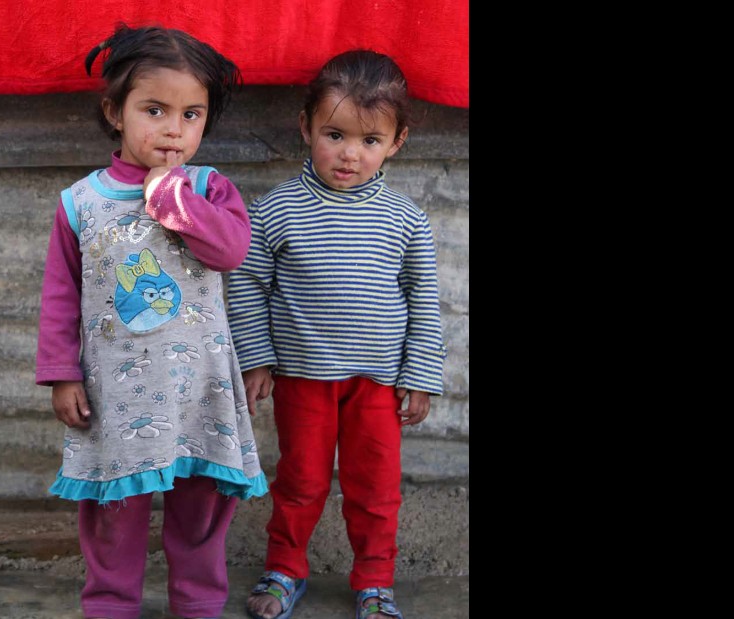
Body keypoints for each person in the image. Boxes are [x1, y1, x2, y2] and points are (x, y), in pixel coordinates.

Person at [35, 23, 267, 619]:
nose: (173, 129)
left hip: (199, 390)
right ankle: (111, 603)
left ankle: (198, 602)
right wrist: (62, 373)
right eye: (155, 109)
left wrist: (180, 204)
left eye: (192, 115)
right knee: (114, 514)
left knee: (200, 509)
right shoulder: (81, 202)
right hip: (116, 393)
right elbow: (61, 293)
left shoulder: (209, 189)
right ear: (116, 111)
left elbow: (232, 251)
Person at [227, 50, 448, 619]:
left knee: (374, 487)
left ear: (397, 142)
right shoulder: (276, 210)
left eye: (370, 141)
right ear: (305, 127)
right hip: (303, 379)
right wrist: (257, 360)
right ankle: (284, 569)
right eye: (334, 134)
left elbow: (423, 297)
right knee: (299, 481)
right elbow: (248, 287)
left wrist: (420, 375)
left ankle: (375, 582)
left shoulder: (406, 219)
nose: (350, 154)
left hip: (377, 383)